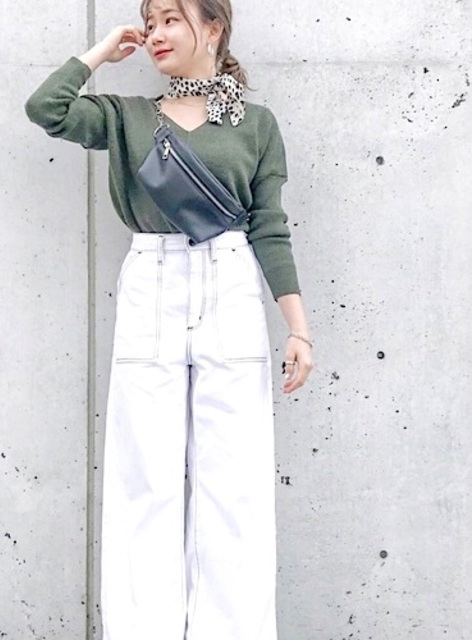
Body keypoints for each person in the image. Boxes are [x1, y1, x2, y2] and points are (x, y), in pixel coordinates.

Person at [25, 0, 313, 638]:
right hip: (151, 281)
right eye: (150, 21)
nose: (156, 33)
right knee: (143, 480)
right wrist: (103, 51)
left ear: (213, 28)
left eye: (170, 19)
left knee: (233, 485)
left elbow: (269, 225)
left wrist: (297, 328)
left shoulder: (255, 124)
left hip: (230, 281)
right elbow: (46, 109)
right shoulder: (127, 117)